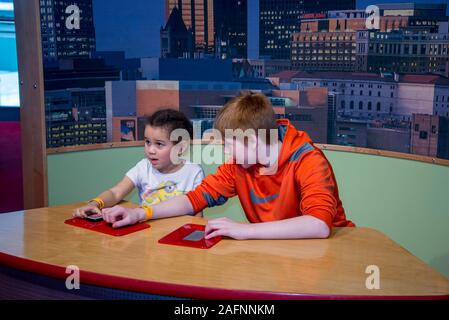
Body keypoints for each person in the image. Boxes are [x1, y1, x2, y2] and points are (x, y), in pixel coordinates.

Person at [100, 92, 355, 239]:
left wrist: (244, 231)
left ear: (252, 140)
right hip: (282, 253)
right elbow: (194, 199)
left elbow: (319, 225)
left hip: (333, 251)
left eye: (229, 143)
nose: (225, 151)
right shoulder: (239, 165)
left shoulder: (309, 161)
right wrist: (140, 214)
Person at [73, 109, 204, 222]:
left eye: (159, 144)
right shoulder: (143, 167)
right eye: (147, 142)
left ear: (180, 148)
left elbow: (198, 214)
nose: (150, 150)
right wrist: (95, 203)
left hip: (177, 237)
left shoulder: (193, 172)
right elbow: (115, 192)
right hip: (147, 235)